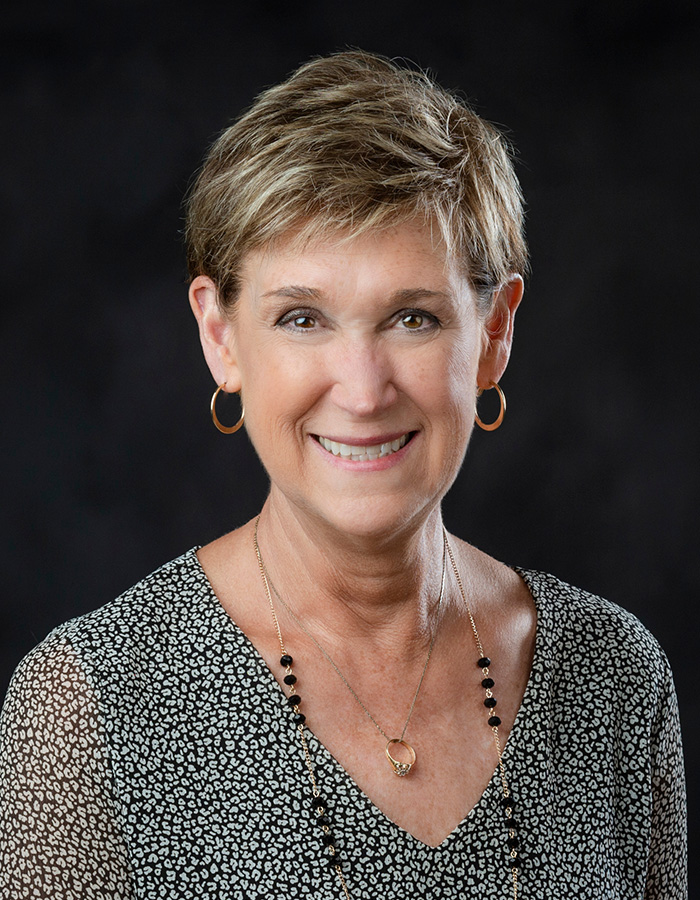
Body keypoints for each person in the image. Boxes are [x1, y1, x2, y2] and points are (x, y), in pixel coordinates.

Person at [0, 50, 686, 899]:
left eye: (412, 317)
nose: (362, 391)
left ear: (494, 334)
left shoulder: (615, 677)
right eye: (301, 317)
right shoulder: (87, 708)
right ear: (221, 338)